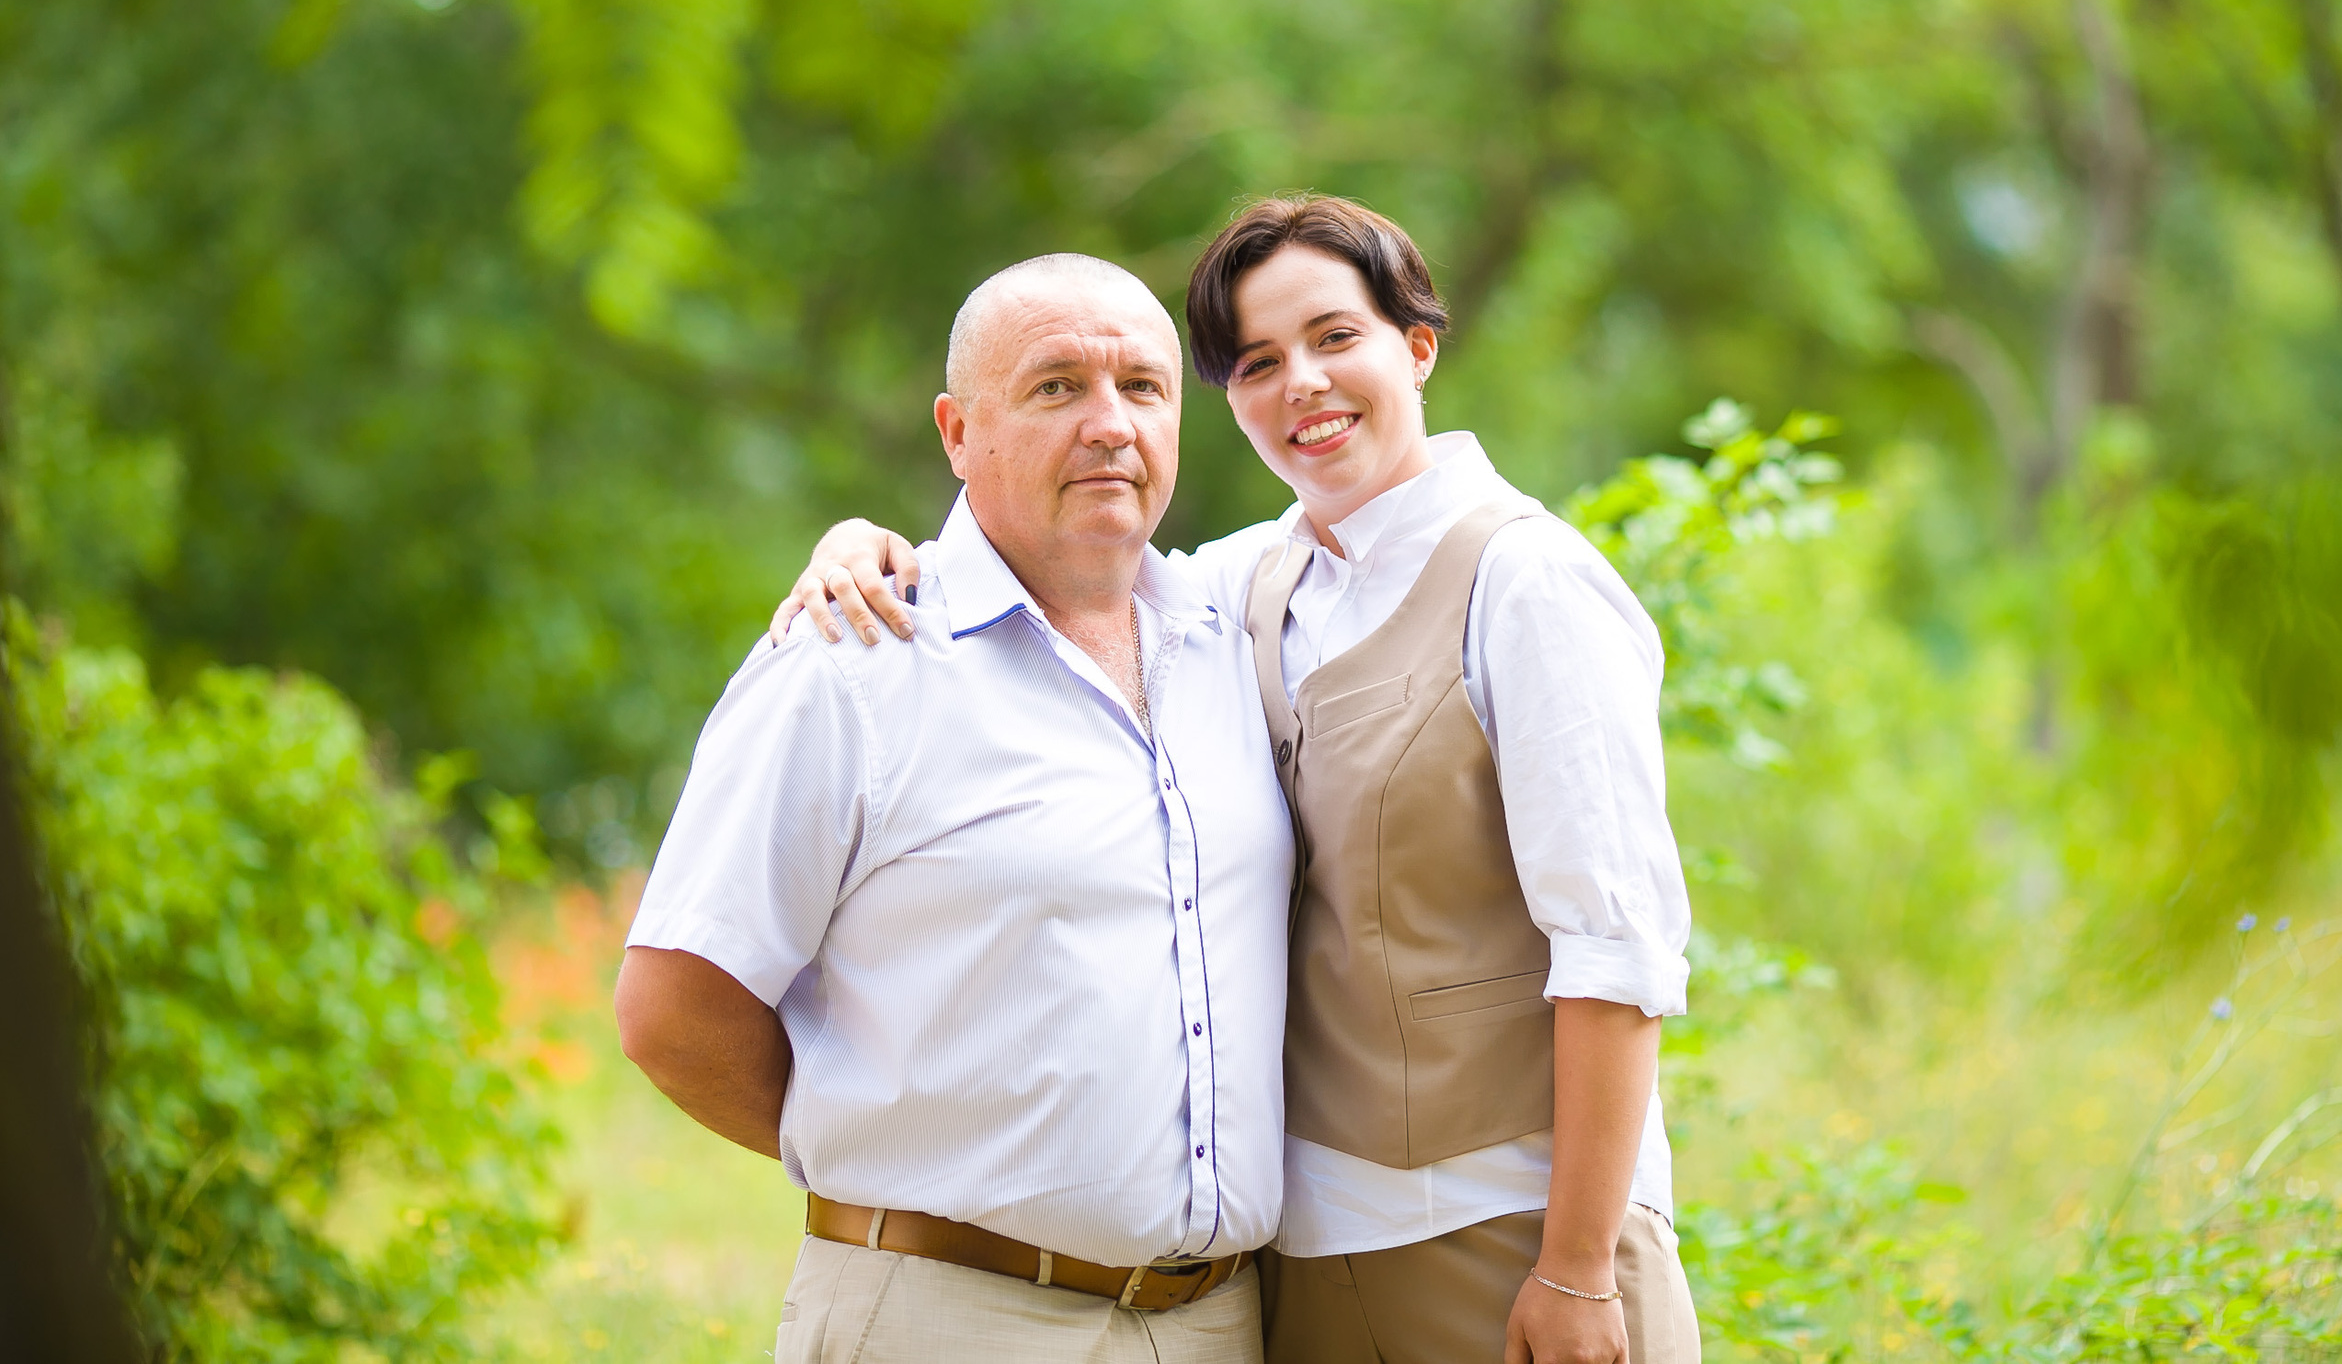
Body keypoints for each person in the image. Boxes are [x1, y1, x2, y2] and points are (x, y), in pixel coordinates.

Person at [774, 196, 1699, 1364]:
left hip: (1510, 1235)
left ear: (1416, 345)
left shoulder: (1529, 582)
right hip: (1300, 1270)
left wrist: (1576, 1271)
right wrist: (862, 542)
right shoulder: (1242, 585)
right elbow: (1045, 562)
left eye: (1334, 337)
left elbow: (1618, 949)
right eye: (1256, 363)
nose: (1300, 384)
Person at [621, 254, 1293, 1363]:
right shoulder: (852, 664)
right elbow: (670, 1011)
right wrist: (899, 1160)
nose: (1110, 424)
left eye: (1143, 387)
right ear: (957, 433)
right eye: (1055, 386)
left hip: (1220, 1326)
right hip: (947, 1316)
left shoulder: (1238, 638)